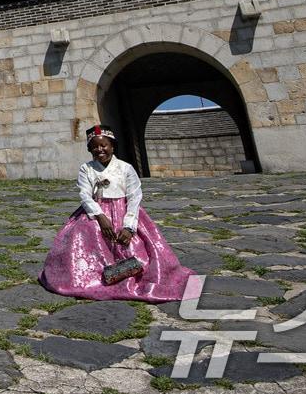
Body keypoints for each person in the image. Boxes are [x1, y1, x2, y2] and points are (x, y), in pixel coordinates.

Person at [39, 125, 193, 303]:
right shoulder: (86, 169)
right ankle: (91, 277)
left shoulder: (125, 168)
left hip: (123, 211)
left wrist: (128, 225)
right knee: (84, 232)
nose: (100, 149)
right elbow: (84, 194)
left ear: (112, 146)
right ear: (90, 149)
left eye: (104, 145)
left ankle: (133, 273)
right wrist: (101, 217)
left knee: (131, 243)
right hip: (95, 212)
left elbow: (135, 196)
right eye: (95, 146)